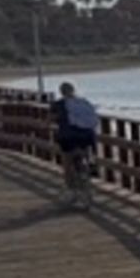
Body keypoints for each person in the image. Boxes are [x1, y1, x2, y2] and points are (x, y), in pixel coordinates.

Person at [50, 80, 100, 209]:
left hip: (68, 137)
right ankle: (88, 169)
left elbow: (51, 119)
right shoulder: (84, 102)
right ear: (73, 90)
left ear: (61, 92)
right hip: (87, 136)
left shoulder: (58, 104)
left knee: (67, 162)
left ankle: (71, 190)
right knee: (85, 154)